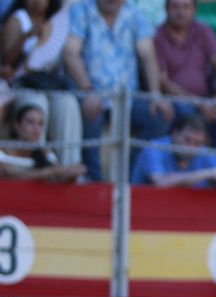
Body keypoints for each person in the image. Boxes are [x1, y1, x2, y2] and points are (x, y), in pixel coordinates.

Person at [62, 0, 174, 182]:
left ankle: (131, 177)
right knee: (91, 113)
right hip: (91, 93)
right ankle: (94, 181)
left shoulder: (134, 14)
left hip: (127, 98)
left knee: (161, 115)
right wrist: (88, 90)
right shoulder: (81, 11)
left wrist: (155, 94)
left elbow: (148, 56)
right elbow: (70, 53)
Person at [4, 0, 86, 172]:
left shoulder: (60, 21)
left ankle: (69, 169)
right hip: (22, 85)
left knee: (68, 104)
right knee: (37, 104)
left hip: (52, 85)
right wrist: (26, 37)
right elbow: (7, 63)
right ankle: (40, 167)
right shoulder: (17, 20)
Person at [153, 0, 216, 152]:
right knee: (187, 115)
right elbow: (163, 81)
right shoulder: (157, 35)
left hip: (205, 99)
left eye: (186, 7)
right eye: (176, 7)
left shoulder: (202, 31)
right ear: (166, 9)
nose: (181, 12)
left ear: (194, 10)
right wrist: (197, 103)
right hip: (175, 100)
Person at [131, 108, 216, 185]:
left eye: (197, 143)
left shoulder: (203, 152)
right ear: (174, 133)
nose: (190, 147)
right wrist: (207, 173)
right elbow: (161, 182)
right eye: (187, 140)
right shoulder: (154, 148)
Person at [0, 99, 84, 180]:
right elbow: (11, 176)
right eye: (30, 122)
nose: (36, 128)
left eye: (40, 123)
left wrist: (72, 174)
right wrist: (51, 171)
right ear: (17, 125)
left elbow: (58, 179)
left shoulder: (45, 152)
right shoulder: (3, 150)